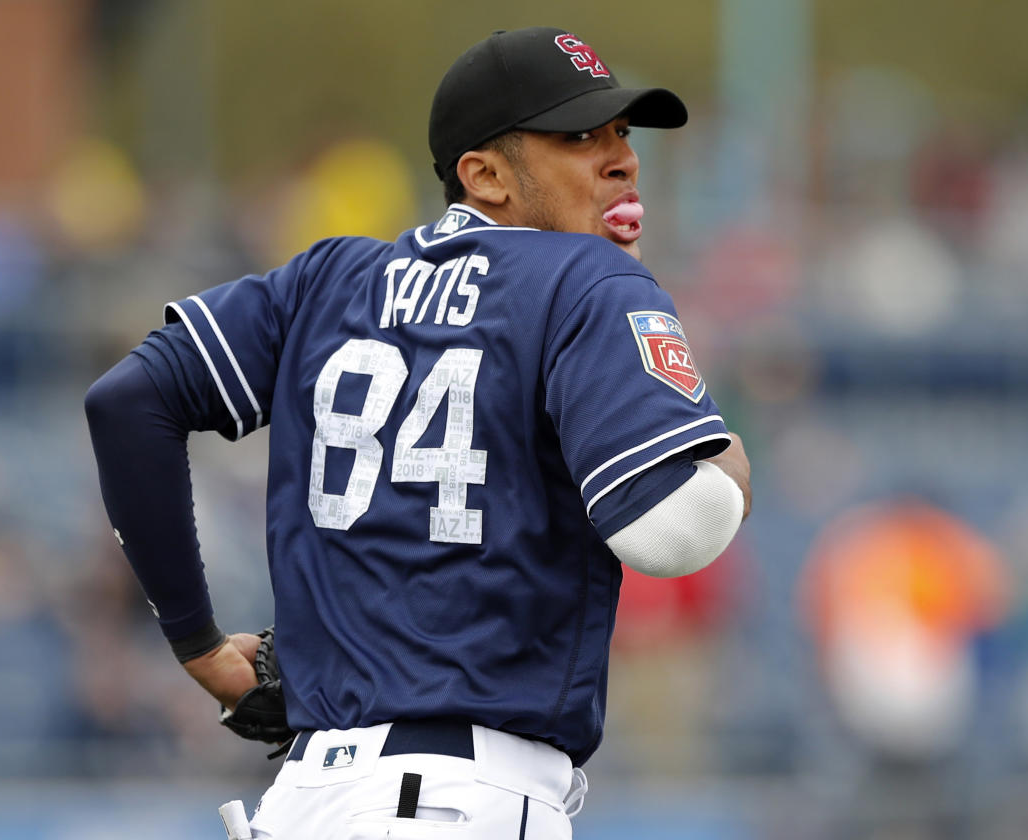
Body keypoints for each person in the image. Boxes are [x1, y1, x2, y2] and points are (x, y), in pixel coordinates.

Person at [85, 25, 751, 839]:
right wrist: (721, 445)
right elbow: (673, 529)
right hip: (460, 799)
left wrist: (197, 644)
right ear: (484, 175)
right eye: (579, 135)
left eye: (620, 132)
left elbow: (128, 401)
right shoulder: (586, 278)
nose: (621, 157)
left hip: (304, 802)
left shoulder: (325, 279)